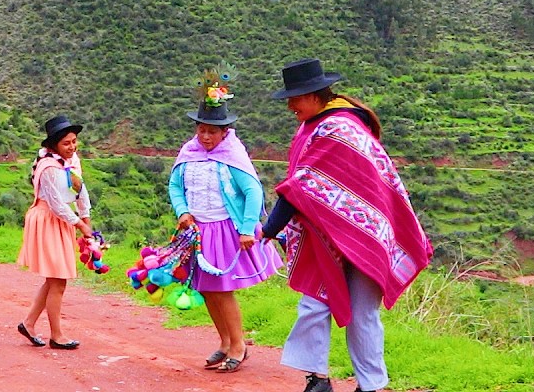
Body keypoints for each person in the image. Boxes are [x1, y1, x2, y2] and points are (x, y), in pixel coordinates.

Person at [261, 59, 433, 392]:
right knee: (314, 301)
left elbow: (301, 185)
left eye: (294, 98)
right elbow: (303, 184)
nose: (290, 106)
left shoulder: (339, 128)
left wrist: (269, 229)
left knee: (362, 314)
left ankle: (371, 385)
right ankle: (318, 379)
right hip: (323, 235)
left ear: (313, 95)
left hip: (365, 236)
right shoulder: (314, 126)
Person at [168, 73, 278, 373]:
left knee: (221, 288)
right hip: (197, 231)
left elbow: (253, 191)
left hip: (225, 230)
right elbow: (175, 186)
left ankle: (239, 346)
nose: (206, 137)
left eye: (212, 132)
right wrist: (183, 211)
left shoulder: (233, 156)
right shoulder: (188, 153)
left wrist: (246, 228)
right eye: (202, 130)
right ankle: (225, 342)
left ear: (224, 132)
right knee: (207, 289)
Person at [16, 115, 93, 350]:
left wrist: (86, 217)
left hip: (61, 220)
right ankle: (57, 335)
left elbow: (80, 190)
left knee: (54, 279)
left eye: (74, 141)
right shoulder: (48, 167)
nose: (72, 147)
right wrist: (79, 224)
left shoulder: (71, 161)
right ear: (54, 145)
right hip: (48, 219)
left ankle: (28, 323)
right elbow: (56, 203)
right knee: (58, 280)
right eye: (67, 143)